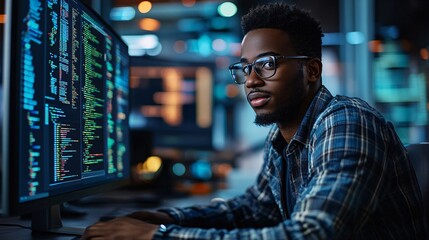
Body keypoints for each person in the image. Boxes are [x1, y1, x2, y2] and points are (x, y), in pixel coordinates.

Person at [82, 2, 427, 239]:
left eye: (267, 64)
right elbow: (253, 209)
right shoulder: (283, 139)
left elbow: (314, 233)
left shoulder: (346, 121)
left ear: (311, 70)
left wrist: (160, 236)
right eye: (245, 68)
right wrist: (170, 217)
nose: (250, 80)